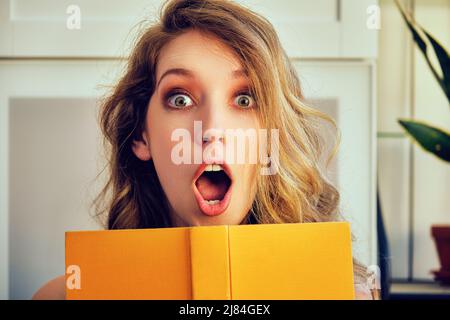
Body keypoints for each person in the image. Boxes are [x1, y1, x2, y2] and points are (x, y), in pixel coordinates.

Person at [33, 0, 374, 300]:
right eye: (180, 98)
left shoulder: (338, 293)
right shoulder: (64, 297)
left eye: (245, 98)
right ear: (141, 136)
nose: (211, 130)